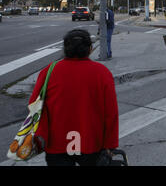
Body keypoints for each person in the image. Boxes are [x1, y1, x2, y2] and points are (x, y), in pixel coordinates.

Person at [29, 29, 119, 166]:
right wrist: (110, 144)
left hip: (57, 142)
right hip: (91, 142)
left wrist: (41, 136)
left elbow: (34, 105)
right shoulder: (102, 72)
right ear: (90, 49)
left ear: (65, 49)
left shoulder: (49, 71)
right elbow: (111, 112)